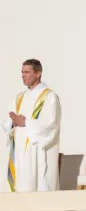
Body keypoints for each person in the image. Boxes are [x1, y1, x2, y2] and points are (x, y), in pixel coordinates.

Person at [0, 59, 61, 192]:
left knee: (35, 187)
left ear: (38, 73)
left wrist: (26, 122)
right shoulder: (20, 97)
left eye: (27, 72)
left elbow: (51, 125)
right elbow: (9, 122)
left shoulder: (49, 97)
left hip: (36, 152)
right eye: (22, 72)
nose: (23, 75)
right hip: (18, 152)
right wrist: (12, 122)